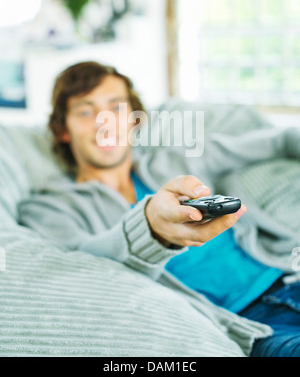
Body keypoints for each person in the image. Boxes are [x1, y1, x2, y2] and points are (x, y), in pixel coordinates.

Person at [18, 61, 300, 357]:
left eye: (116, 108)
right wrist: (150, 226)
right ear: (63, 129)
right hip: (251, 323)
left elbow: (279, 140)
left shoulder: (174, 161)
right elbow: (84, 267)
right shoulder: (49, 207)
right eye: (86, 111)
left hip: (286, 274)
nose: (105, 122)